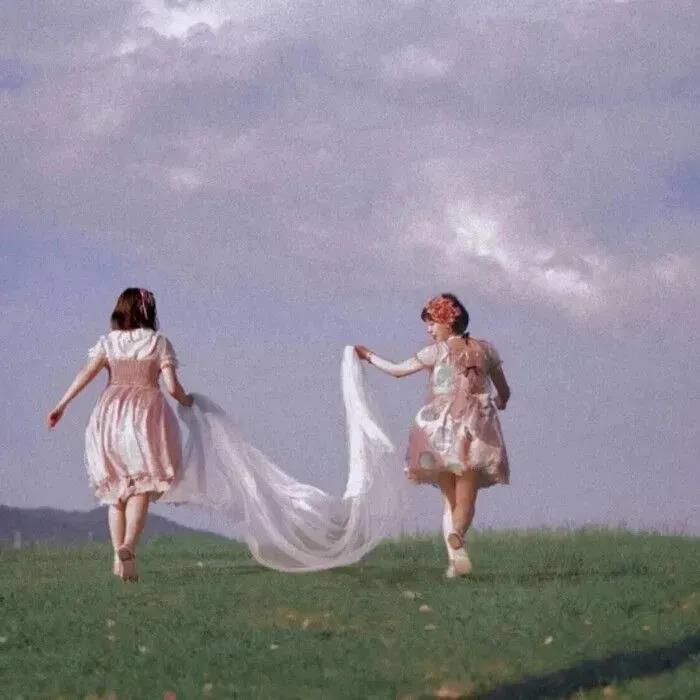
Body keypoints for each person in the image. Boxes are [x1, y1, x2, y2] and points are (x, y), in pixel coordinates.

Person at [355, 293, 510, 577]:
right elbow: (504, 391)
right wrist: (498, 401)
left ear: (447, 322)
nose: (429, 330)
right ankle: (458, 535)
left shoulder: (436, 352)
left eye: (432, 323)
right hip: (476, 431)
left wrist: (368, 356)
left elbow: (398, 371)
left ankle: (455, 560)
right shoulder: (486, 350)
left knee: (449, 499)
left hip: (439, 432)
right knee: (466, 497)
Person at [47, 288, 193, 582]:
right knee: (141, 486)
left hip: (110, 416)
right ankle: (128, 546)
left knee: (115, 490)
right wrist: (189, 402)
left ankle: (119, 557)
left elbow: (85, 374)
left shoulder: (109, 342)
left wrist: (61, 405)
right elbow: (172, 388)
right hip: (144, 417)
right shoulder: (158, 342)